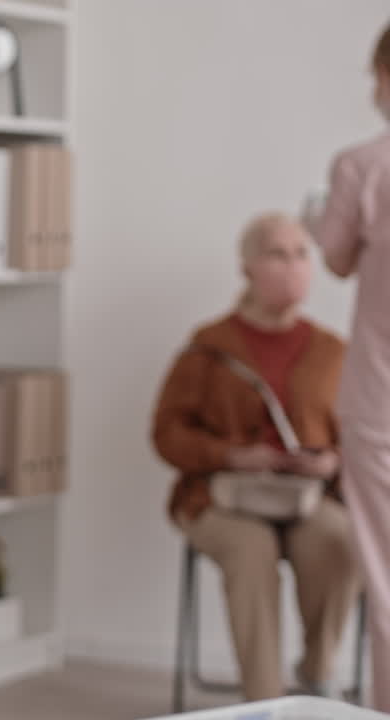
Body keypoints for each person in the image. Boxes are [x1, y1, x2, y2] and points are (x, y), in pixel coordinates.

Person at [152, 213, 359, 700]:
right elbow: (166, 434)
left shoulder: (333, 351)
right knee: (251, 552)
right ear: (247, 268)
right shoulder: (207, 348)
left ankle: (317, 674)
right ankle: (265, 702)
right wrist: (231, 454)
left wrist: (332, 461)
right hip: (222, 497)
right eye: (277, 254)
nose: (292, 267)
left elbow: (362, 435)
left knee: (341, 542)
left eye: (301, 254)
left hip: (309, 498)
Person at [312, 21, 390, 712]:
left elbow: (334, 257)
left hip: (381, 404)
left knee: (388, 574)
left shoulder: (364, 165)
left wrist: (316, 220)